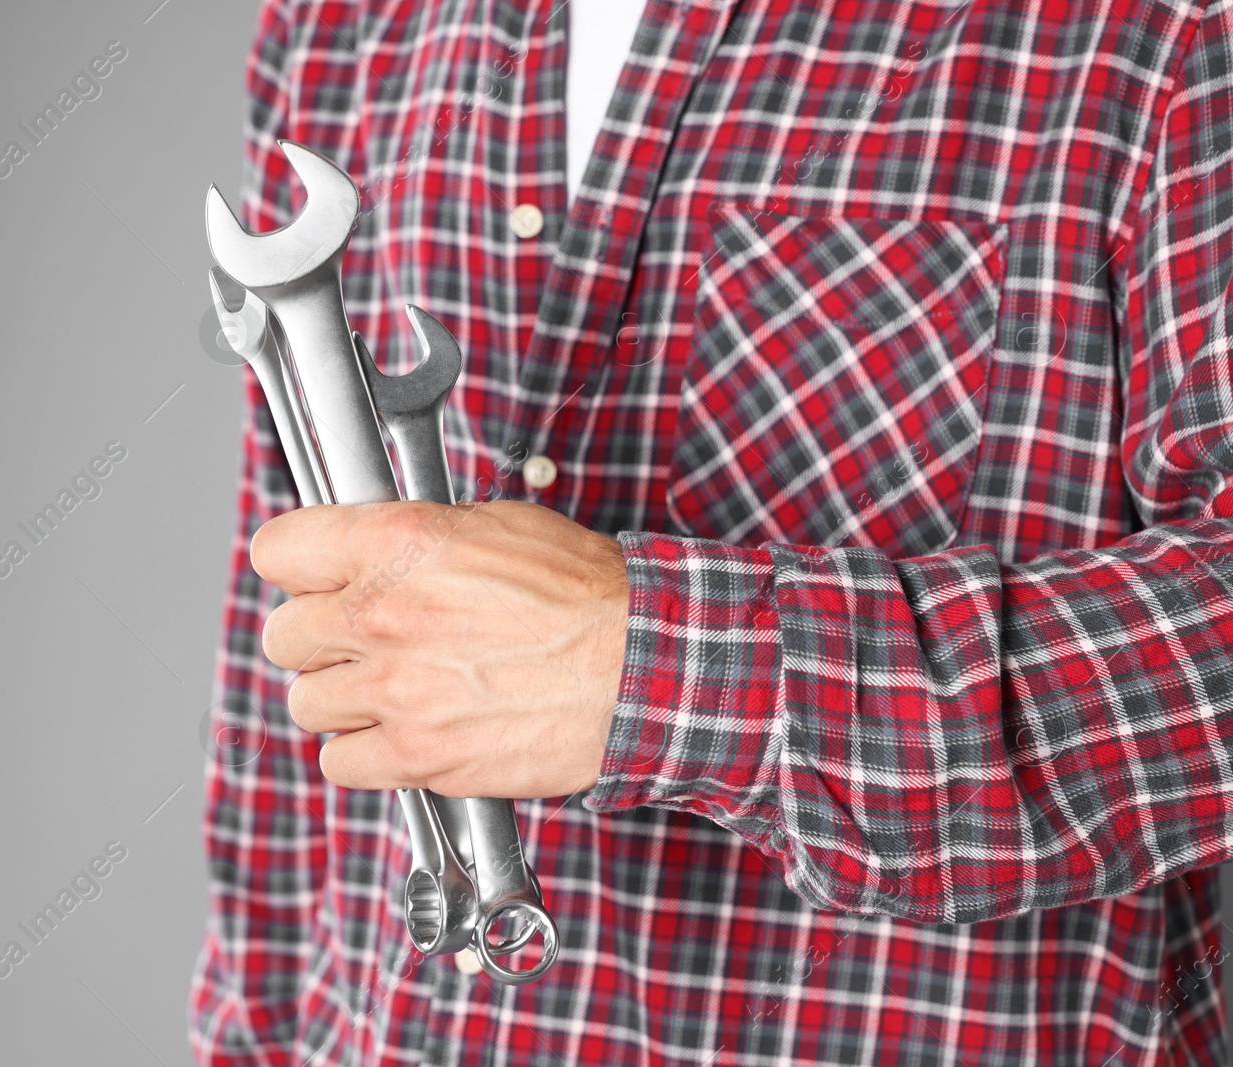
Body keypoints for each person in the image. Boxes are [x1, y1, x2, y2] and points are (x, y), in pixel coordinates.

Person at [189, 0, 1233, 1063]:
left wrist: (655, 669)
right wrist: (252, 1037)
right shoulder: (341, 23)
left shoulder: (1159, 28)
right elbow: (286, 658)